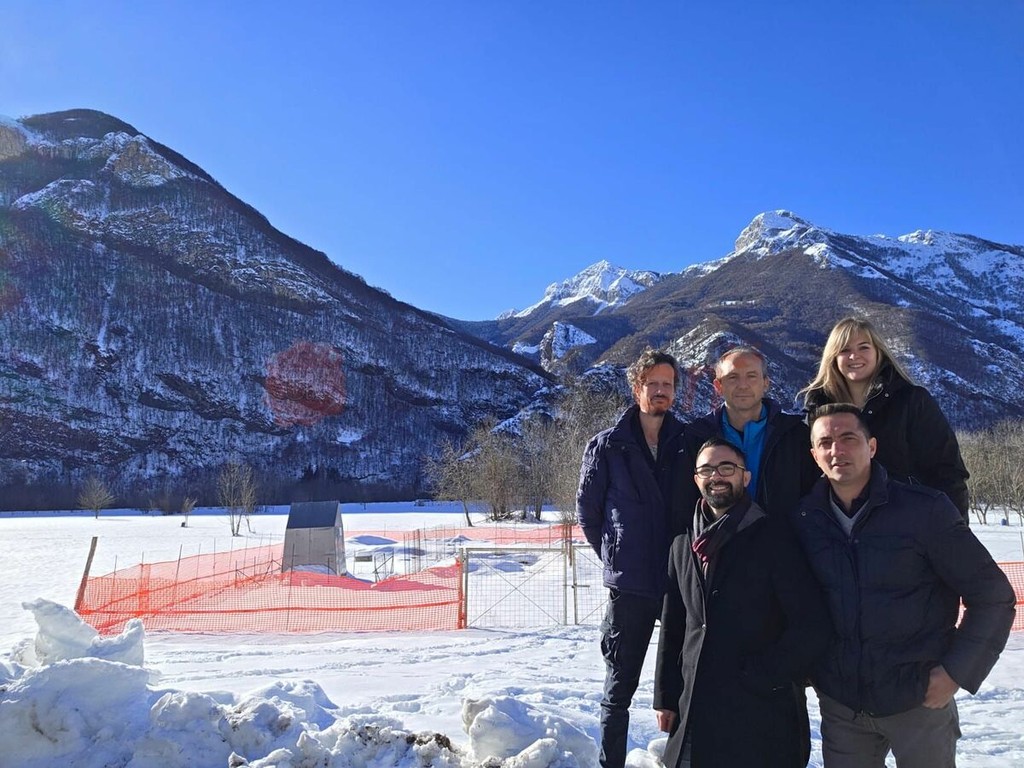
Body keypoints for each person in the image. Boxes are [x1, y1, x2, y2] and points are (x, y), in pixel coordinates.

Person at [792, 403, 1015, 767]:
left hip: (918, 699)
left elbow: (993, 595)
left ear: (872, 446)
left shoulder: (924, 511)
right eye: (825, 443)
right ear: (814, 455)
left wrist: (956, 672)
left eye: (848, 438)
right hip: (842, 705)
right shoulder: (804, 520)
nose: (837, 450)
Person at [653, 438, 831, 768]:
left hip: (760, 713)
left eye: (727, 468)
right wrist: (665, 695)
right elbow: (674, 625)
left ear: (745, 477)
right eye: (707, 469)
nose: (716, 476)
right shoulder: (682, 544)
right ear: (696, 479)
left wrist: (764, 674)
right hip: (696, 709)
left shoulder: (775, 537)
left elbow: (812, 625)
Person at [577, 347, 689, 768]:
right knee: (619, 689)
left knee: (685, 685)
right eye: (652, 383)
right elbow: (588, 514)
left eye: (667, 384)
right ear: (636, 387)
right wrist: (616, 555)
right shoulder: (607, 446)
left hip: (680, 582)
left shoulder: (688, 441)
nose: (660, 391)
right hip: (631, 585)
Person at [800, 316, 970, 519]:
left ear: (878, 352)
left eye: (864, 347)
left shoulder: (911, 401)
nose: (854, 356)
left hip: (906, 522)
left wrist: (953, 527)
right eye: (844, 350)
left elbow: (947, 471)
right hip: (838, 525)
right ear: (833, 357)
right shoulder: (818, 410)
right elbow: (806, 475)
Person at [684, 346, 819, 517]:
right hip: (720, 533)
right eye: (733, 377)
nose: (743, 385)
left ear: (766, 383)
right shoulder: (697, 436)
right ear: (718, 386)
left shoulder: (796, 435)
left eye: (751, 376)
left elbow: (813, 496)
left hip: (784, 532)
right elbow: (685, 502)